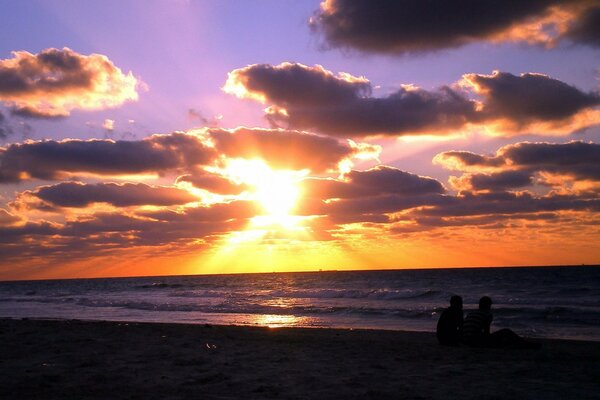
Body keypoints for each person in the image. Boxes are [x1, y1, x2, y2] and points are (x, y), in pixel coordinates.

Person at [462, 296, 540, 349]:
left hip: (465, 340)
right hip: (475, 341)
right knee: (506, 331)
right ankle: (526, 345)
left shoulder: (471, 313)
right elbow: (486, 332)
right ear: (488, 305)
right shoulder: (487, 314)